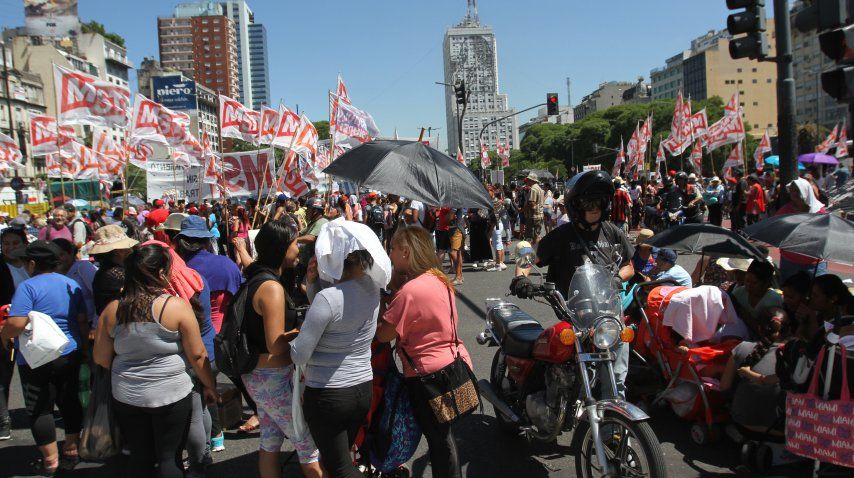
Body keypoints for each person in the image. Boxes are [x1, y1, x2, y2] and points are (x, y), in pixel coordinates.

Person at [93, 244, 218, 478]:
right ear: (161, 273)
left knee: (140, 456)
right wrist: (209, 386)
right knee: (169, 456)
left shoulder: (112, 310)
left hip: (127, 393)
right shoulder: (175, 307)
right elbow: (197, 355)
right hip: (171, 392)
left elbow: (100, 357)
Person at [510, 170, 634, 399]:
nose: (595, 208)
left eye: (599, 202)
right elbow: (529, 260)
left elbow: (629, 266)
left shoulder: (613, 232)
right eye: (589, 203)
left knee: (616, 377)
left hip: (609, 313)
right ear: (576, 205)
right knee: (571, 370)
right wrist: (521, 278)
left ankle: (614, 414)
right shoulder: (561, 236)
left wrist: (618, 278)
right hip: (576, 314)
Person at [377, 226, 474, 478]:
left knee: (438, 438)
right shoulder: (439, 278)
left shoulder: (409, 291)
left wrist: (387, 299)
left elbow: (383, 334)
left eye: (393, 249)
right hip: (453, 364)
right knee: (444, 433)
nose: (390, 254)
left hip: (426, 375)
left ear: (406, 252)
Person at [290, 239, 382, 477]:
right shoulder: (372, 287)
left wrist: (291, 342)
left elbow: (300, 354)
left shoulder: (328, 298)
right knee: (341, 460)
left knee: (339, 469)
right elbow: (337, 315)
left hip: (329, 393)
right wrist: (313, 285)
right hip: (361, 388)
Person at [240, 221, 322, 478]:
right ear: (281, 248)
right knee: (307, 443)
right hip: (272, 376)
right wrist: (305, 329)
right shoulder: (271, 288)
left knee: (270, 439)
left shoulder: (257, 278)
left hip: (257, 375)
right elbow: (276, 343)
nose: (298, 249)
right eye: (294, 243)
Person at [1, 241, 88, 474]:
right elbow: (81, 319)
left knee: (40, 406)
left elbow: (16, 322)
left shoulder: (28, 287)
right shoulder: (70, 283)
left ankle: (50, 460)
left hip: (36, 356)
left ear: (32, 264)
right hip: (69, 350)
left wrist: (4, 336)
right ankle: (71, 449)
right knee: (69, 400)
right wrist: (83, 348)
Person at [720, 307, 789, 434]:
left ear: (759, 328)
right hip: (782, 431)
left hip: (743, 425)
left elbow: (724, 387)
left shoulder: (742, 348)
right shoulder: (796, 357)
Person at [0, 226, 28, 440]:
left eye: (15, 243)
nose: (10, 248)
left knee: (34, 374)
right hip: (5, 327)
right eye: (6, 244)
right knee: (3, 375)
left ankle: (39, 412)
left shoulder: (32, 264)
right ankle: (3, 419)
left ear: (24, 244)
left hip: (32, 328)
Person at [776, 178, 828, 280]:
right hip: (789, 260)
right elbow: (777, 229)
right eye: (792, 191)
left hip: (813, 262)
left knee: (817, 288)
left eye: (797, 190)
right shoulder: (785, 210)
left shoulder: (819, 212)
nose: (794, 194)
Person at [89, 225, 138, 316]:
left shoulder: (107, 271)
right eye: (127, 247)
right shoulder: (114, 274)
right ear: (118, 251)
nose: (130, 250)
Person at [53, 238, 98, 329]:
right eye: (54, 256)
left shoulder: (83, 267)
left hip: (89, 324)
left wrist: (95, 326)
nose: (58, 259)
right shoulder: (52, 273)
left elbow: (98, 296)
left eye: (61, 254)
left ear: (70, 253)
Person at [730, 260, 782, 337]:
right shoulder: (738, 293)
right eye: (747, 281)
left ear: (766, 283)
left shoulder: (774, 299)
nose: (749, 285)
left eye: (754, 283)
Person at [523, 172, 545, 245]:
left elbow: (531, 203)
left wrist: (523, 209)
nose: (527, 181)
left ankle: (530, 251)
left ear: (532, 180)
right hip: (539, 215)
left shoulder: (533, 189)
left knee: (529, 237)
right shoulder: (540, 189)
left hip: (533, 216)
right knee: (537, 235)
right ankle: (536, 250)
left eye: (528, 180)